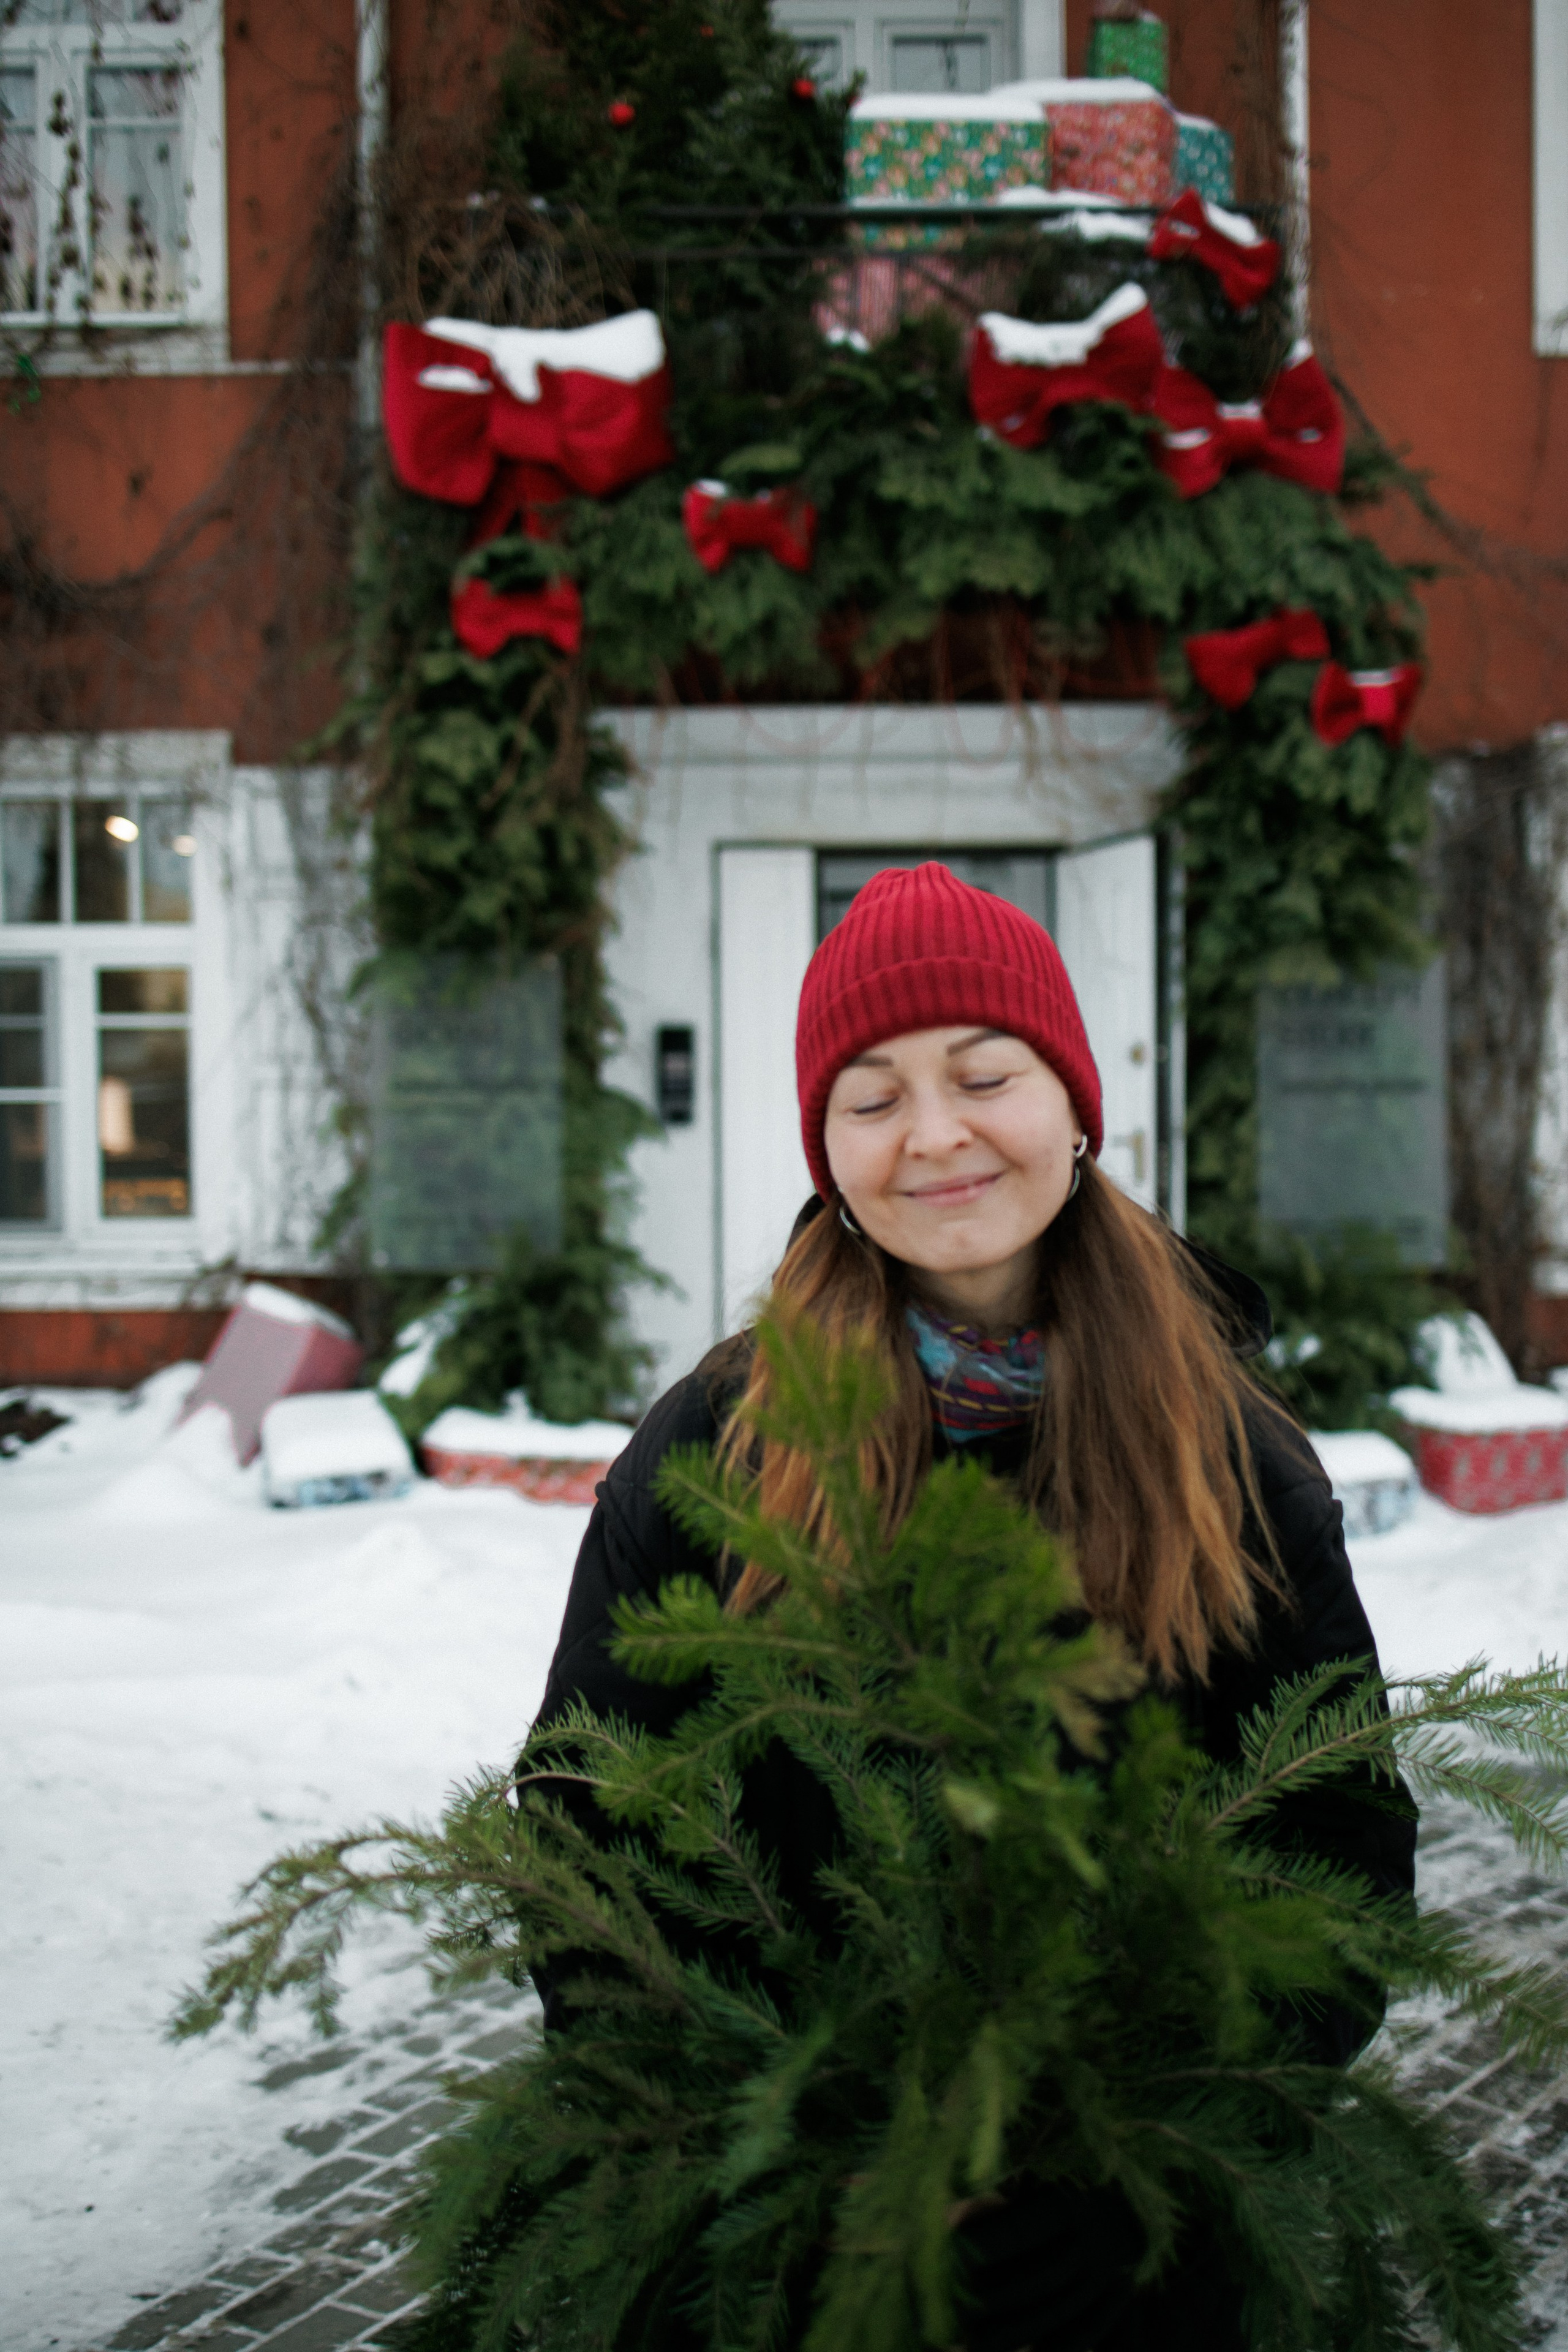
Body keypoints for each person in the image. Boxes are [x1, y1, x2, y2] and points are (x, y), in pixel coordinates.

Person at [536, 860, 1417, 2352]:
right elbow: (583, 1824)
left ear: (1075, 1108)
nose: (932, 1134)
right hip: (781, 2256)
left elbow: (1327, 1853)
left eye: (982, 1075)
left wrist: (1130, 2163)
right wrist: (777, 2152)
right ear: (824, 1151)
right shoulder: (714, 1445)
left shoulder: (1230, 1460)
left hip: (1132, 2257)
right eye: (868, 1097)